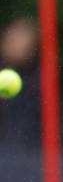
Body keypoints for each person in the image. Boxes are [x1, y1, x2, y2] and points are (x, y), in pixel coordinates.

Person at [0, 17, 40, 149]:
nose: (18, 44)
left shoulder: (38, 79)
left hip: (26, 154)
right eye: (14, 39)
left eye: (25, 39)